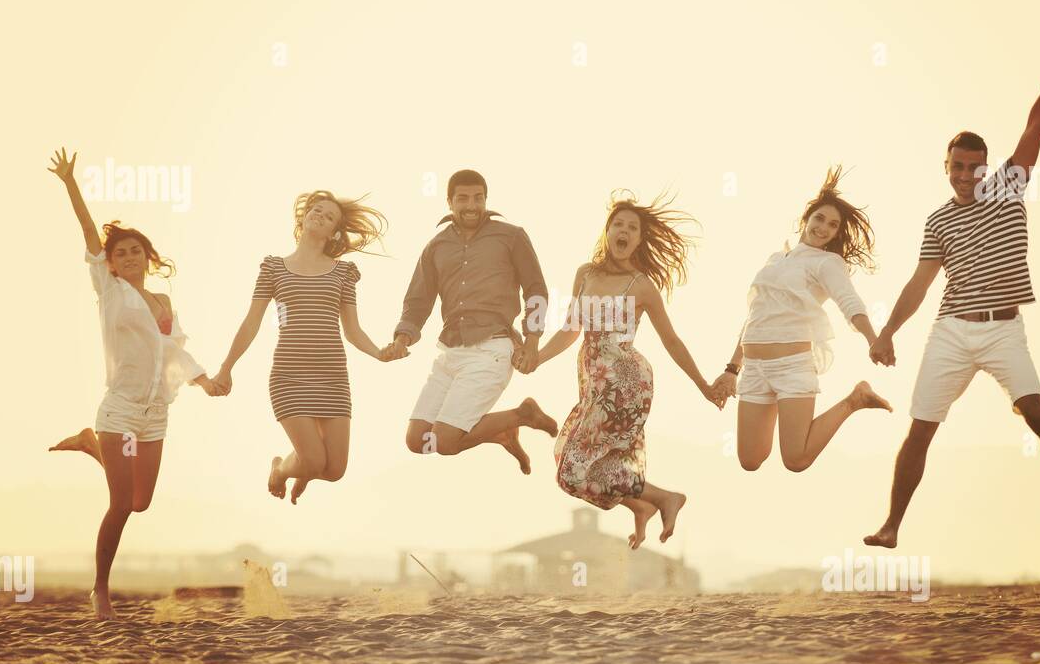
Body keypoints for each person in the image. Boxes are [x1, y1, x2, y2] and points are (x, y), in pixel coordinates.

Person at [864, 21, 1040, 549]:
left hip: (1004, 331)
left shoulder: (1009, 184)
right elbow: (919, 283)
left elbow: (1037, 124)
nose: (966, 177)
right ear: (946, 166)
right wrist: (886, 332)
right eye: (958, 167)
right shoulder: (937, 221)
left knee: (1037, 412)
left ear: (988, 167)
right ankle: (891, 527)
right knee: (921, 429)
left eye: (975, 168)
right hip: (952, 331)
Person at [46, 147, 220, 620]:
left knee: (141, 503)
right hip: (119, 409)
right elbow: (87, 232)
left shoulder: (162, 301)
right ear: (113, 263)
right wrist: (70, 184)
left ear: (147, 257)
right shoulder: (110, 290)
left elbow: (173, 352)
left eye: (134, 250)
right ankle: (100, 590)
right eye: (119, 253)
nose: (126, 256)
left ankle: (89, 445)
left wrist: (204, 380)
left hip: (155, 414)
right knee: (120, 503)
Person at [537, 192, 721, 549]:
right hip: (593, 381)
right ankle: (641, 505)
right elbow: (570, 329)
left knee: (573, 468)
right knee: (573, 464)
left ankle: (664, 498)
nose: (623, 230)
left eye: (632, 227)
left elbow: (672, 341)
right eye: (617, 224)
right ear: (607, 232)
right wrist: (537, 359)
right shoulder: (585, 274)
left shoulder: (642, 286)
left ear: (639, 239)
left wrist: (703, 385)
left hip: (625, 381)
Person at [213, 190, 393, 504]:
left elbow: (352, 330)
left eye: (329, 216)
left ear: (334, 232)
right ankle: (282, 469)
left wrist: (379, 353)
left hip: (333, 379)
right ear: (303, 217)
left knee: (335, 470)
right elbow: (252, 322)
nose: (319, 215)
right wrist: (226, 367)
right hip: (289, 377)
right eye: (316, 210)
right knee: (312, 460)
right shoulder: (273, 268)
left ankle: (304, 470)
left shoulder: (343, 273)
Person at [711, 168, 891, 474]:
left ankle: (854, 400)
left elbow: (850, 302)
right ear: (805, 219)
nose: (823, 228)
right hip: (754, 369)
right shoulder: (775, 259)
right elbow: (754, 316)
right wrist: (732, 369)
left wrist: (873, 338)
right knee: (750, 459)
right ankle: (851, 399)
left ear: (836, 235)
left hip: (791, 366)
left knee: (796, 460)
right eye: (819, 218)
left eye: (832, 225)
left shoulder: (827, 263)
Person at [379, 170, 557, 473]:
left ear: (486, 199)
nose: (471, 205)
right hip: (450, 352)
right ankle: (500, 432)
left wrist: (532, 341)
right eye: (462, 198)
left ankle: (521, 415)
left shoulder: (511, 236)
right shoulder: (435, 246)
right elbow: (417, 302)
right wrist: (402, 339)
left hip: (493, 350)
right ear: (449, 201)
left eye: (478, 198)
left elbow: (536, 290)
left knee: (445, 443)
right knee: (419, 441)